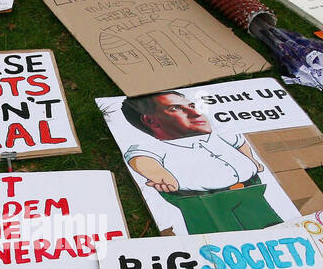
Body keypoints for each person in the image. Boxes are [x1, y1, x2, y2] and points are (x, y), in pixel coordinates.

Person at [120, 91, 284, 234]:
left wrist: (251, 160)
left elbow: (239, 142)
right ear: (151, 121)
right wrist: (159, 175)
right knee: (222, 241)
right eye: (175, 108)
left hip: (252, 193)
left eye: (192, 106)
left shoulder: (218, 133)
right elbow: (140, 159)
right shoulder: (155, 146)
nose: (195, 113)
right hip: (204, 203)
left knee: (272, 229)